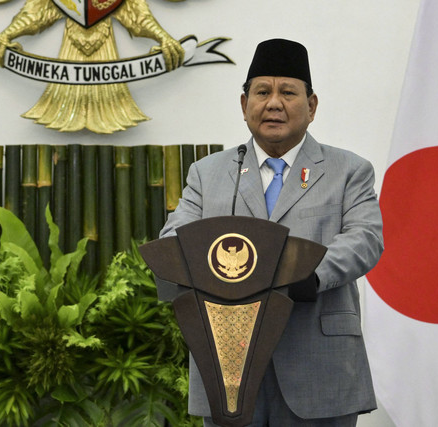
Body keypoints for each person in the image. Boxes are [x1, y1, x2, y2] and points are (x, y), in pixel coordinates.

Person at [159, 38, 384, 426]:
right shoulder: (208, 173)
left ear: (311, 107)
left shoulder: (349, 170)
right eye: (262, 92)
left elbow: (364, 239)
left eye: (288, 93)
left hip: (316, 360)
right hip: (228, 367)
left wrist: (307, 275)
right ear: (244, 104)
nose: (274, 103)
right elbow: (174, 241)